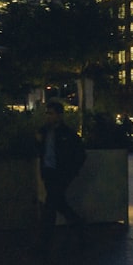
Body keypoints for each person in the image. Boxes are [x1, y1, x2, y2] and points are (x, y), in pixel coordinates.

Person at [35, 101, 86, 248]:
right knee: (58, 203)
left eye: (51, 113)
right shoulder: (46, 132)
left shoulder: (67, 134)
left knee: (50, 206)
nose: (48, 117)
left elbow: (79, 154)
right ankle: (78, 224)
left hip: (59, 173)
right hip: (50, 172)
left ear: (59, 115)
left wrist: (70, 171)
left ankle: (44, 240)